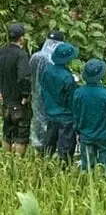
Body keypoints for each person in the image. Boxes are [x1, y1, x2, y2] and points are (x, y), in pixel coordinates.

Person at [73, 59, 106, 172]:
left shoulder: (78, 93)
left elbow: (76, 115)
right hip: (104, 136)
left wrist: (77, 131)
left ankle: (87, 186)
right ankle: (105, 185)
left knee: (87, 166)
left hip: (86, 135)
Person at [41, 41, 79, 166]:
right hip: (65, 116)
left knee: (49, 142)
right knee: (65, 146)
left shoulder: (47, 70)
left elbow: (44, 90)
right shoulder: (67, 77)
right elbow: (70, 99)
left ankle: (45, 165)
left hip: (50, 112)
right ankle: (64, 169)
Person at [28, 30, 64, 151]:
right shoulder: (53, 60)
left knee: (38, 123)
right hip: (51, 100)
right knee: (50, 126)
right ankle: (49, 152)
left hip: (36, 96)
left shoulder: (35, 56)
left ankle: (39, 150)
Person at [0, 23, 31, 155]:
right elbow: (24, 77)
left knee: (7, 130)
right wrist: (25, 95)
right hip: (18, 101)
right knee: (21, 133)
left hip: (5, 99)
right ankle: (18, 164)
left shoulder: (2, 52)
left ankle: (6, 159)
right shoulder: (21, 55)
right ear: (22, 38)